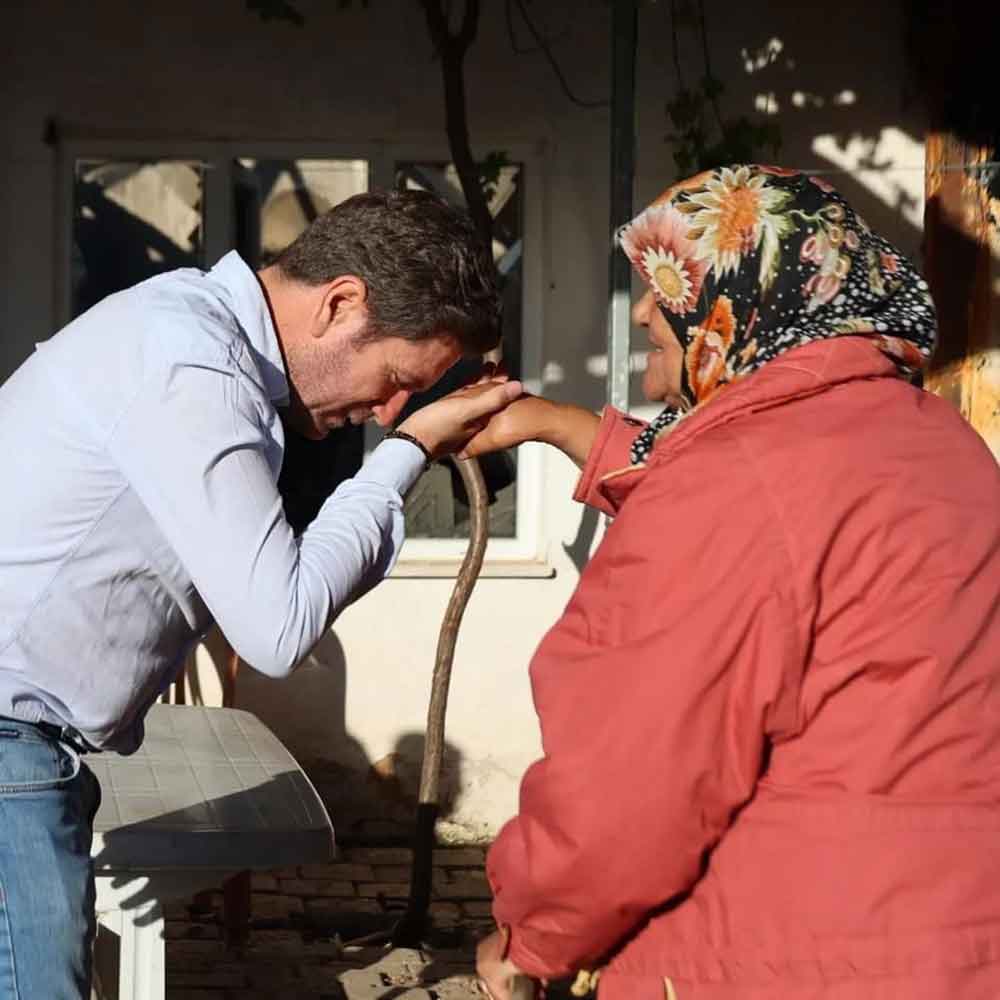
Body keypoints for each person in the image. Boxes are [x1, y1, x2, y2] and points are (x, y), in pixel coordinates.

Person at [472, 165, 1000, 999]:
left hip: (794, 955)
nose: (644, 310)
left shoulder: (733, 481)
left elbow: (628, 794)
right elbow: (790, 542)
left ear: (740, 299)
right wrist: (567, 428)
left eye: (665, 285)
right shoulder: (943, 445)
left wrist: (532, 934)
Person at [0, 188, 522, 999]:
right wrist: (408, 450)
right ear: (340, 303)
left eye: (402, 401)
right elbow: (278, 627)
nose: (381, 412)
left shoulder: (187, 336)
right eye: (392, 379)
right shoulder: (194, 365)